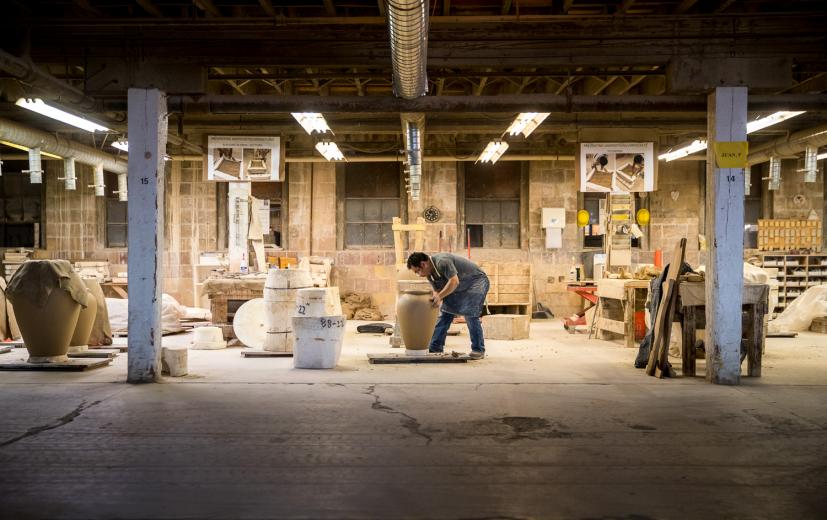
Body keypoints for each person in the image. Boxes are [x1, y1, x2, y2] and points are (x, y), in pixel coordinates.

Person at [406, 252, 490, 359]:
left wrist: (440, 296)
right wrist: (436, 298)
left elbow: (454, 281)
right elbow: (437, 290)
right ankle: (435, 347)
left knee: (470, 314)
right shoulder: (429, 274)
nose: (419, 275)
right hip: (460, 286)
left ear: (423, 264)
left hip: (476, 282)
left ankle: (478, 349)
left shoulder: (442, 262)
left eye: (417, 271)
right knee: (445, 313)